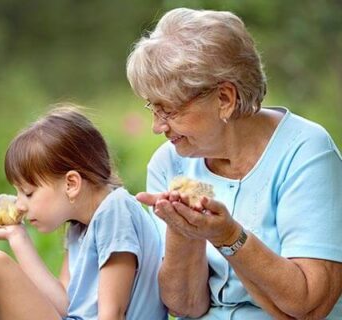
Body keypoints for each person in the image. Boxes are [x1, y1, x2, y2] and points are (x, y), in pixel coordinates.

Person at [126, 7, 342, 320]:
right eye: (152, 109)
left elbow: (309, 305)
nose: (157, 127)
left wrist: (228, 236)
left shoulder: (306, 152)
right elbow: (185, 305)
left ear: (225, 99)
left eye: (168, 111)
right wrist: (182, 231)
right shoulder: (169, 164)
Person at [0, 105, 167, 320]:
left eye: (28, 193)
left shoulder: (115, 211)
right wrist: (18, 239)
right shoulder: (80, 224)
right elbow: (64, 305)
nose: (19, 204)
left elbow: (112, 314)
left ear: (71, 184)